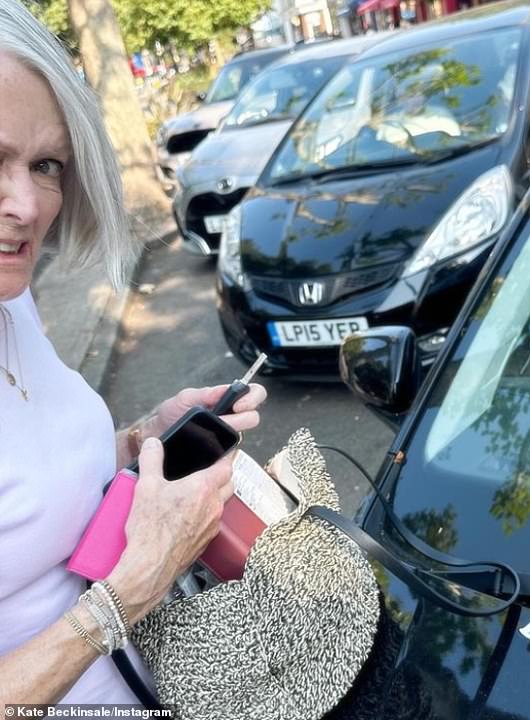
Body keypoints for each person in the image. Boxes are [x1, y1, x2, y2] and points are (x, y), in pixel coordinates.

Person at [0, 0, 266, 704]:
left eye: (46, 164)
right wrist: (132, 589)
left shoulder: (12, 299)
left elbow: (34, 480)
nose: (26, 205)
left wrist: (143, 437)